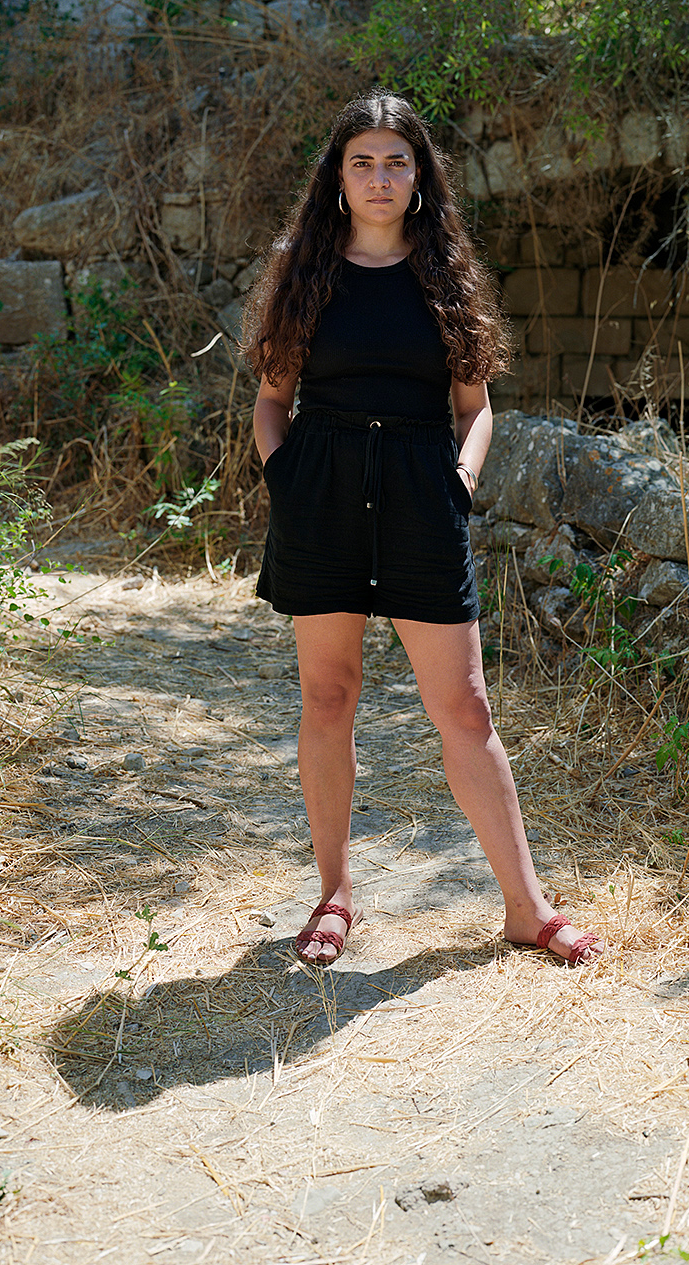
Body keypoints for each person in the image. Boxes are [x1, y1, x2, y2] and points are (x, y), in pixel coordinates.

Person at [240, 91, 603, 970]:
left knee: (466, 708)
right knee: (329, 698)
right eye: (361, 160)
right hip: (321, 490)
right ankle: (333, 896)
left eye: (395, 160)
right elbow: (271, 399)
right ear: (338, 175)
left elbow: (476, 407)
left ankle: (527, 908)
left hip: (419, 493)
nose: (379, 177)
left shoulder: (446, 273)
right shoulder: (303, 269)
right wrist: (285, 477)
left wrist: (461, 479)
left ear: (419, 174)